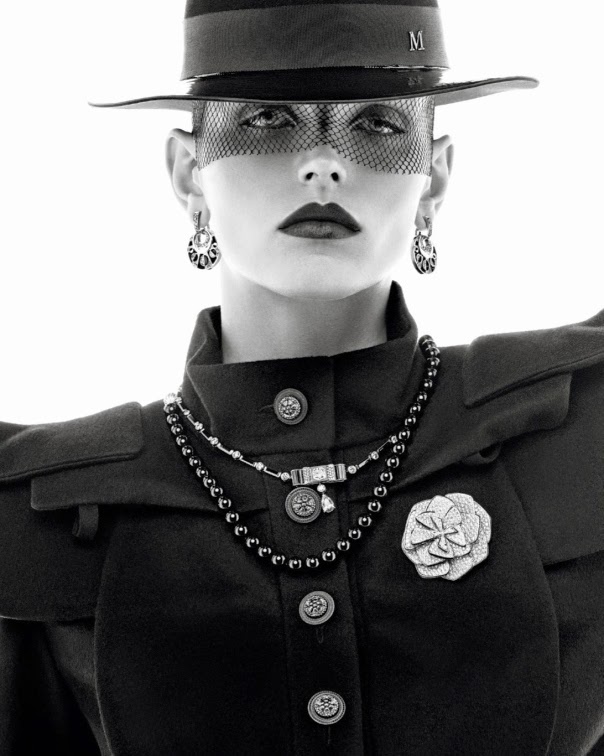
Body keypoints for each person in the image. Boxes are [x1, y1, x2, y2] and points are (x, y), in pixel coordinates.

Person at [1, 1, 603, 754]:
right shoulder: (43, 513)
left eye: (376, 124)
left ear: (436, 176)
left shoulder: (577, 429)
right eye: (266, 120)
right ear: (188, 172)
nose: (323, 164)